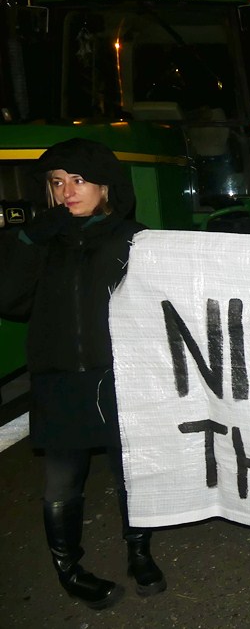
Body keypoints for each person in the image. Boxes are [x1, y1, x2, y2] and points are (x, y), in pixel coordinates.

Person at [0, 139, 166, 610]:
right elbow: (9, 299)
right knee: (61, 483)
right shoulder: (42, 240)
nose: (67, 191)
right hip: (58, 380)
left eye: (78, 180)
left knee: (131, 471)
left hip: (118, 376)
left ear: (105, 186)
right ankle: (69, 568)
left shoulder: (133, 238)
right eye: (58, 182)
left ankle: (139, 553)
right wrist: (29, 241)